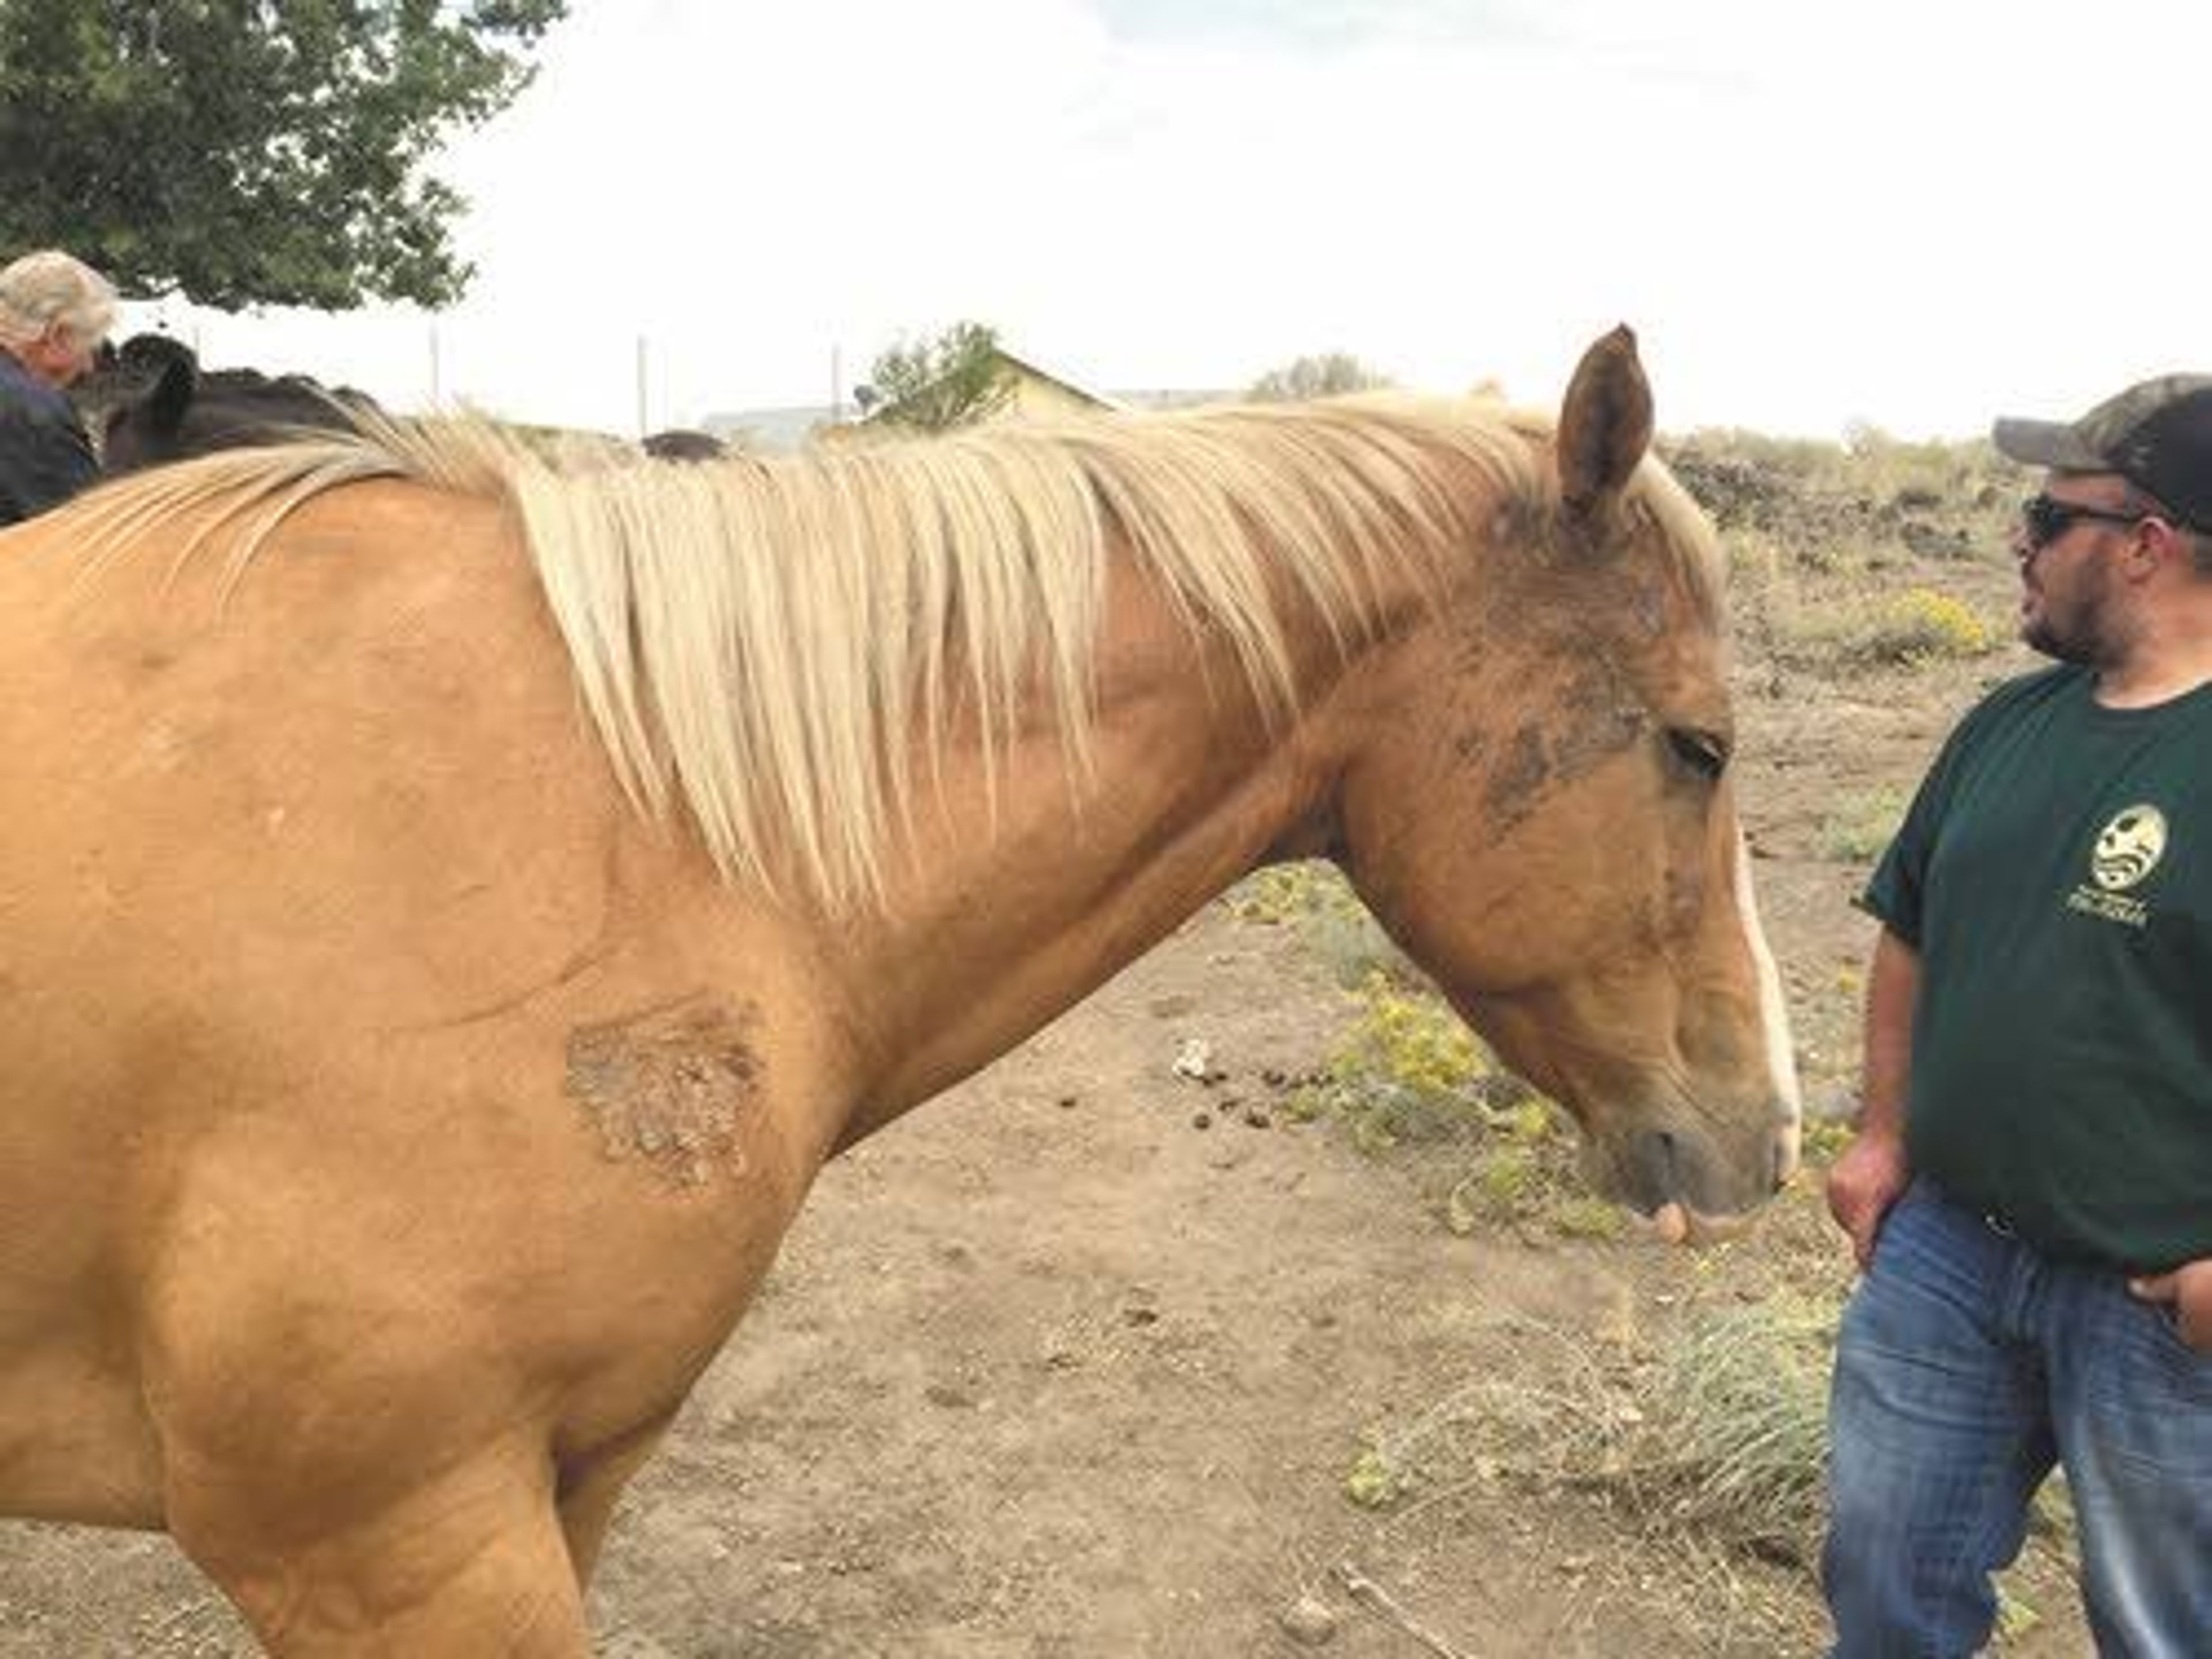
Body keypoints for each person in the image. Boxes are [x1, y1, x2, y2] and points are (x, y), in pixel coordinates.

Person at [1821, 372, 2212, 1656]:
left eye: (2050, 520)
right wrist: (1884, 1137)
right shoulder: (2006, 722)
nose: (2017, 542)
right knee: (1885, 1586)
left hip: (2158, 1309)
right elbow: (1912, 934)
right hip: (1948, 1255)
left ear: (2148, 546)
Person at [0, 248, 117, 525]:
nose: (88, 366)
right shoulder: (30, 412)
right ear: (57, 336)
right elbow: (92, 538)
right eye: (89, 346)